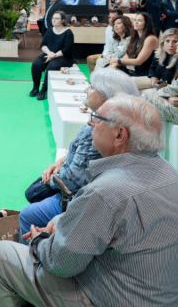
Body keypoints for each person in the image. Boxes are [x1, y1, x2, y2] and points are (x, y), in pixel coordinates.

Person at [0, 95, 178, 307]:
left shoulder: (105, 192)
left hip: (112, 297)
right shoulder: (172, 175)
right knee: (57, 222)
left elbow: (61, 263)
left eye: (97, 118)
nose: (90, 123)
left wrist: (39, 241)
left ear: (119, 135)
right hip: (169, 297)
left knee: (1, 255)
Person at [20, 69, 141, 237]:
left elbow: (71, 181)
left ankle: (34, 252)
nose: (86, 90)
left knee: (27, 214)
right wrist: (61, 161)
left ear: (107, 97)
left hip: (78, 198)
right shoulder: (104, 122)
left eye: (92, 87)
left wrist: (52, 179)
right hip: (84, 189)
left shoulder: (99, 132)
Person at [30, 10, 75, 101]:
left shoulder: (68, 32)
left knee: (51, 66)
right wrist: (49, 53)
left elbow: (67, 49)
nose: (53, 20)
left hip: (63, 58)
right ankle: (35, 87)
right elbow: (43, 45)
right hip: (49, 54)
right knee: (36, 64)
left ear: (63, 20)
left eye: (57, 18)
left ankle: (44, 90)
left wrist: (53, 56)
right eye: (53, 18)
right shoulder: (50, 30)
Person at [112, 12, 158, 89]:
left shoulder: (151, 38)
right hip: (136, 71)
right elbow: (126, 57)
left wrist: (118, 60)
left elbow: (138, 61)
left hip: (147, 74)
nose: (136, 22)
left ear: (146, 23)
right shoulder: (134, 38)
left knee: (116, 79)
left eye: (139, 20)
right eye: (135, 20)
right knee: (109, 71)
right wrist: (114, 64)